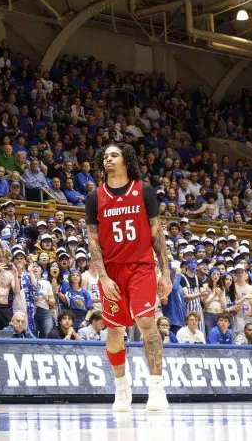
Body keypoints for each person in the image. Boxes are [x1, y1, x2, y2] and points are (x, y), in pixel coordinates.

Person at [86, 143, 169, 412]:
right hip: (111, 272)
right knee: (114, 330)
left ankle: (156, 388)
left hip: (142, 267)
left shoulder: (143, 190)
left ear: (126, 160)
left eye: (114, 155)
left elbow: (157, 235)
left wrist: (165, 273)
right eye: (105, 156)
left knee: (147, 321)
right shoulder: (95, 197)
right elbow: (93, 242)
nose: (108, 160)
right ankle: (122, 388)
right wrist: (102, 276)